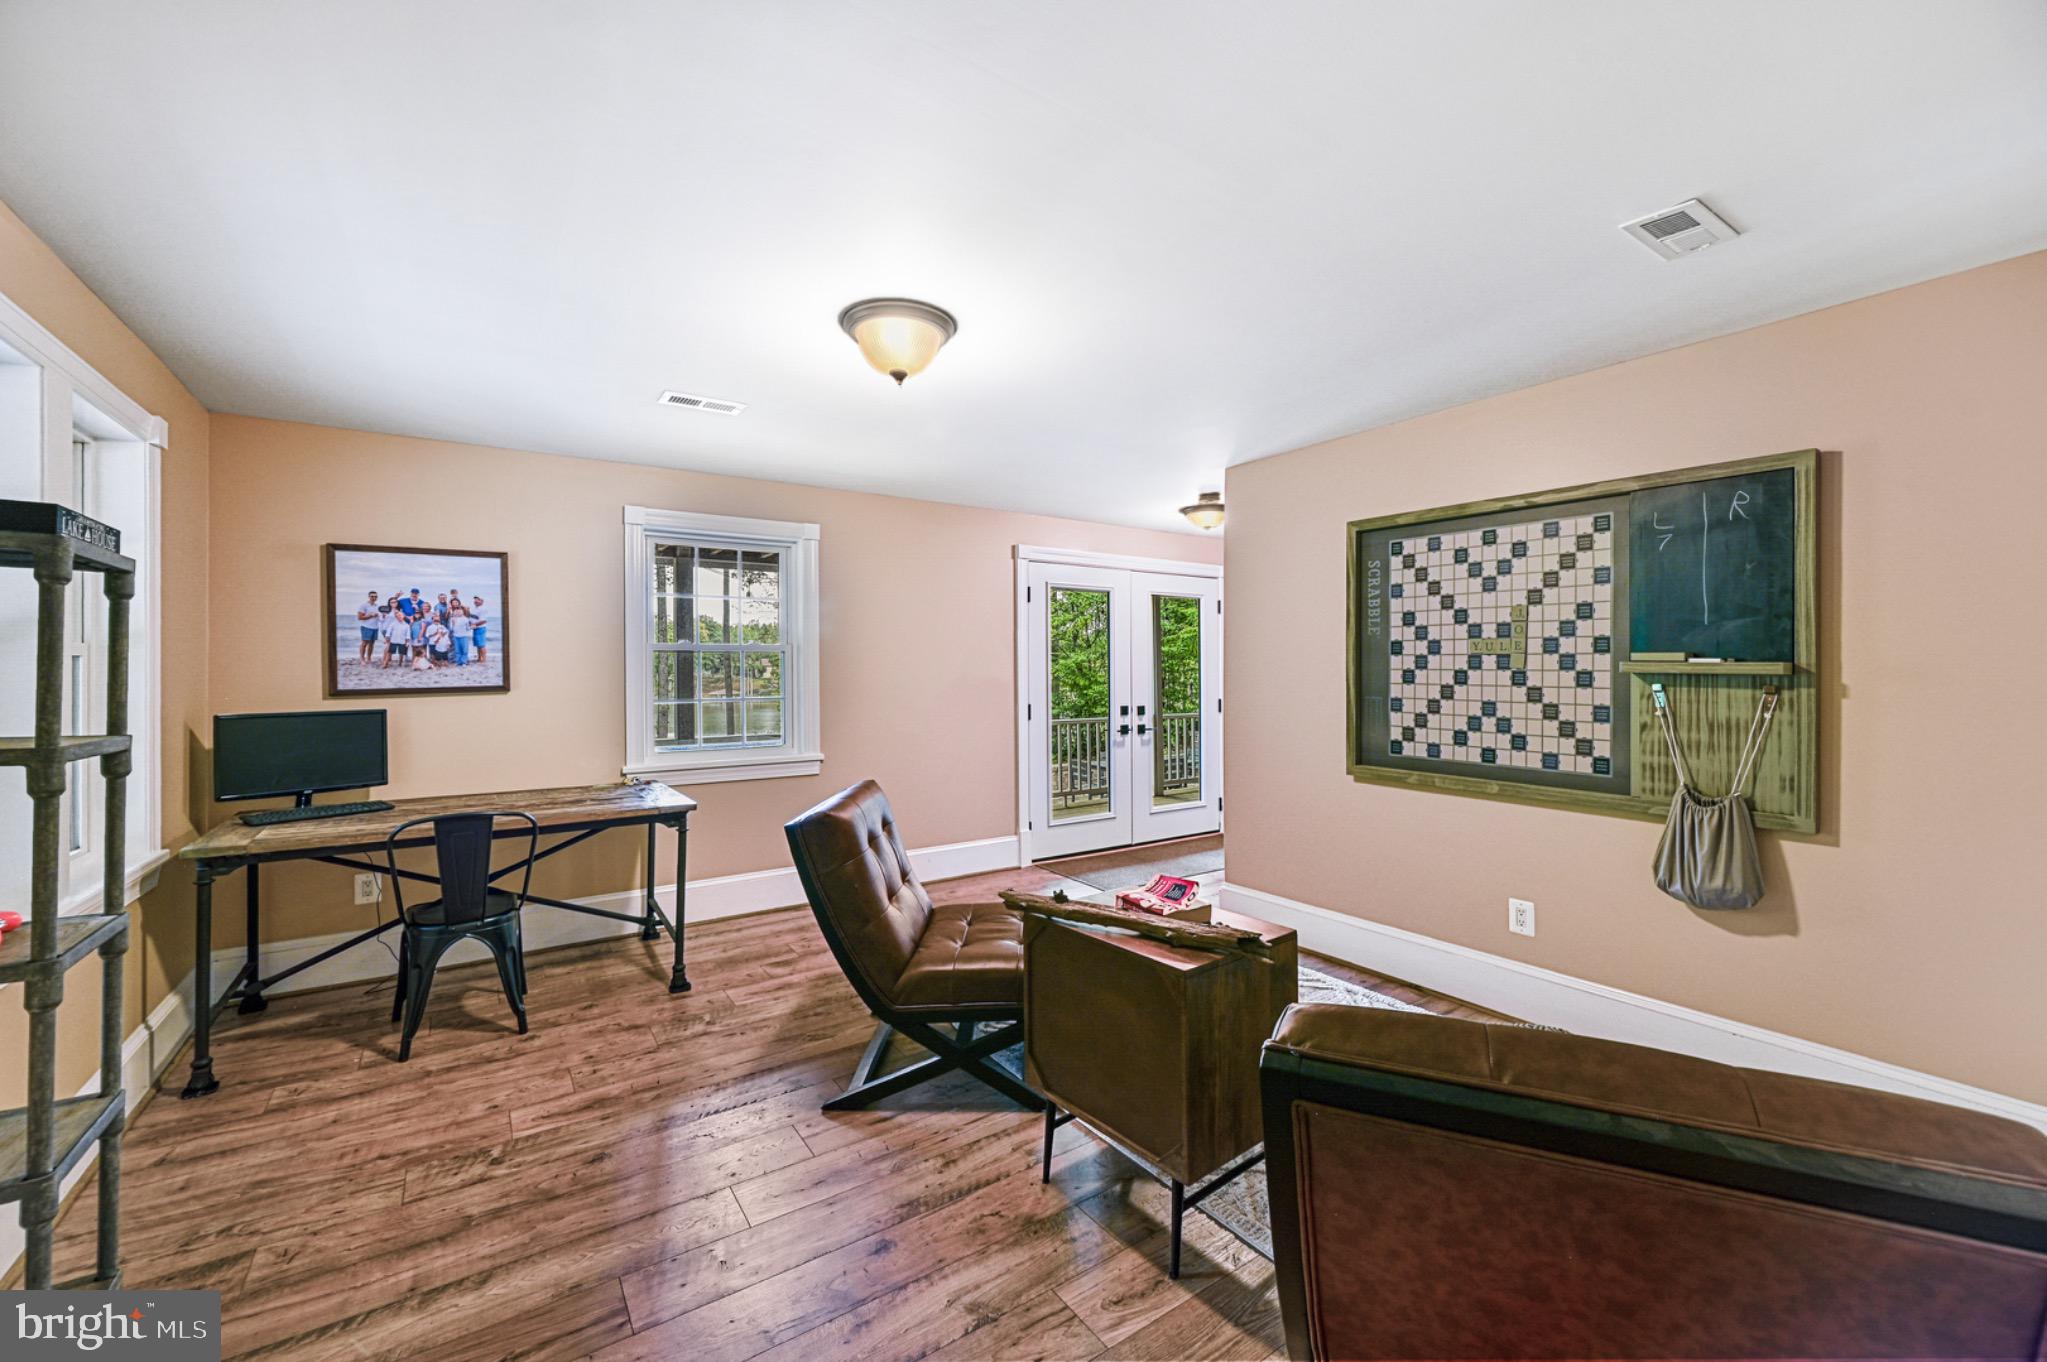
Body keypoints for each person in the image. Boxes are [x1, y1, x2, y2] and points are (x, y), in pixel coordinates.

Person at [380, 597, 408, 668]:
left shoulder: (399, 610)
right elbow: (381, 620)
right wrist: (383, 616)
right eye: (392, 602)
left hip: (395, 630)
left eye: (395, 602)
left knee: (391, 645)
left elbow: (402, 618)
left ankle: (388, 660)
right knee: (388, 645)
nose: (394, 603)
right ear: (389, 603)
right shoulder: (387, 610)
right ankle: (384, 661)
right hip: (386, 629)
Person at [355, 591, 381, 664]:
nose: (374, 598)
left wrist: (379, 616)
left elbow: (380, 616)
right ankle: (362, 659)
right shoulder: (364, 605)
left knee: (372, 644)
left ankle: (369, 658)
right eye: (372, 596)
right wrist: (370, 615)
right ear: (369, 597)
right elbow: (359, 617)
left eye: (375, 596)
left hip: (375, 627)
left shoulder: (377, 606)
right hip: (366, 627)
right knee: (364, 643)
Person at [447, 602, 473, 667]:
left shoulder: (466, 619)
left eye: (460, 611)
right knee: (457, 650)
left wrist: (472, 627)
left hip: (464, 636)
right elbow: (451, 629)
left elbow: (468, 628)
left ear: (462, 612)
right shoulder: (452, 619)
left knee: (464, 650)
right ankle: (458, 662)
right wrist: (453, 623)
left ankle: (464, 662)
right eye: (457, 611)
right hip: (456, 636)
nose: (458, 612)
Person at [469, 596, 488, 664]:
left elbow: (484, 621)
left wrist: (474, 625)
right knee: (478, 644)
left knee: (481, 644)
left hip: (480, 628)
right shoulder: (474, 609)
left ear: (482, 601)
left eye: (478, 600)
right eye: (475, 600)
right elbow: (472, 618)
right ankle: (479, 658)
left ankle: (484, 659)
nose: (476, 601)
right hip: (476, 629)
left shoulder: (483, 609)